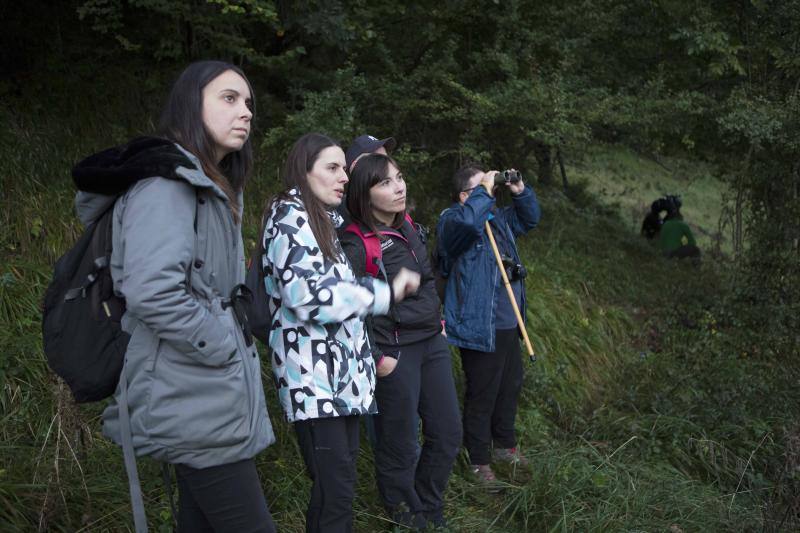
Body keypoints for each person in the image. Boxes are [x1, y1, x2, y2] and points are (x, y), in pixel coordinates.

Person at [76, 61, 276, 531]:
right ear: (191, 104)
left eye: (248, 102)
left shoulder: (214, 188)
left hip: (205, 391)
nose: (245, 111)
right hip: (190, 391)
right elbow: (152, 291)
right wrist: (223, 340)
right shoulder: (167, 185)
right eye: (229, 98)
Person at [261, 133, 420, 533]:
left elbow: (343, 306)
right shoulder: (289, 218)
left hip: (341, 382)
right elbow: (308, 297)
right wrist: (384, 293)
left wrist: (367, 359)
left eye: (343, 170)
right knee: (336, 490)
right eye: (331, 168)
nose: (343, 178)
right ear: (304, 171)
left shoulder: (325, 223)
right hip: (313, 383)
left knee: (338, 488)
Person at [340, 153, 462, 529]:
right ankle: (406, 514)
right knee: (400, 443)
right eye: (386, 182)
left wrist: (437, 320)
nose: (399, 187)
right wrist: (378, 355)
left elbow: (424, 278)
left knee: (447, 433)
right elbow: (350, 305)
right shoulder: (356, 242)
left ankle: (428, 503)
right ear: (364, 192)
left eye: (400, 177)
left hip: (430, 342)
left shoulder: (407, 225)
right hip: (394, 350)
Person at [436, 165, 541, 486]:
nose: (490, 191)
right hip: (480, 325)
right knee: (483, 394)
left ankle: (504, 445)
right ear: (466, 196)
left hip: (510, 323)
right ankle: (479, 460)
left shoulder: (498, 220)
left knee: (510, 387)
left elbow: (530, 219)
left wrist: (520, 189)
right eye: (481, 187)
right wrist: (484, 189)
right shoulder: (453, 221)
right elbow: (469, 222)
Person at [659, 196, 701, 262]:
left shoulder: (665, 223)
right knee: (696, 250)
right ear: (680, 217)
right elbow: (692, 242)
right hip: (672, 253)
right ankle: (695, 268)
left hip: (662, 252)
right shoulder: (683, 225)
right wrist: (683, 245)